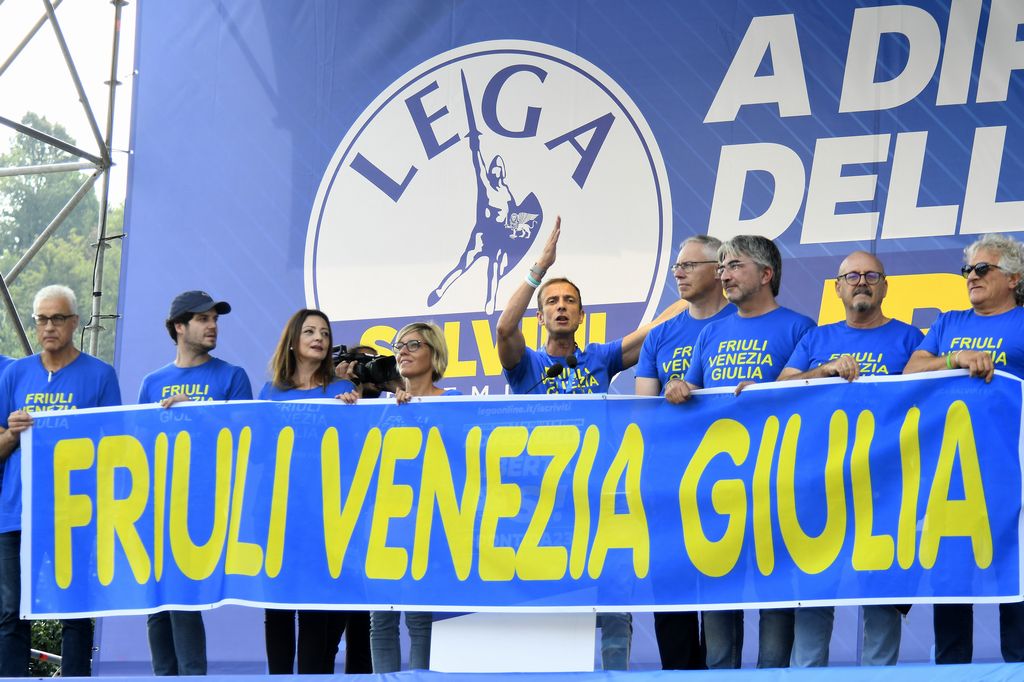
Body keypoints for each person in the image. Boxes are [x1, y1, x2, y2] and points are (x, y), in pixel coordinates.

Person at [496, 217, 687, 669]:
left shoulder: (598, 358)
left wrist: (697, 293)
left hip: (600, 499)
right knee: (552, 609)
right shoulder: (525, 364)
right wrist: (539, 269)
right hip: (543, 507)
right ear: (540, 316)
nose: (561, 307)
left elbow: (658, 329)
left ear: (581, 316)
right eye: (552, 302)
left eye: (570, 302)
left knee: (614, 605)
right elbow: (504, 329)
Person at [673, 235, 815, 669]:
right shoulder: (711, 332)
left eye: (734, 265)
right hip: (719, 486)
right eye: (721, 267)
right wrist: (679, 387)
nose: (724, 275)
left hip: (777, 484)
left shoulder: (799, 327)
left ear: (766, 274)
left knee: (776, 598)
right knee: (718, 600)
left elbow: (812, 397)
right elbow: (693, 386)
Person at [777, 251, 923, 667]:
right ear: (838, 288)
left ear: (885, 287)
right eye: (852, 276)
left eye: (871, 276)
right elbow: (781, 389)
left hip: (885, 488)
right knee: (813, 598)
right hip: (820, 485)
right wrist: (824, 370)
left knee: (882, 601)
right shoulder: (816, 339)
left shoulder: (910, 338)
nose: (862, 282)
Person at [904, 233, 1024, 664]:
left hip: (1012, 473)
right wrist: (955, 359)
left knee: (1017, 582)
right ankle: (952, 671)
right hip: (951, 476)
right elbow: (911, 370)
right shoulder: (948, 323)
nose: (971, 276)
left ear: (1013, 278)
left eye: (982, 269)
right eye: (967, 270)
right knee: (951, 583)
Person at [0, 285, 121, 677]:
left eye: (57, 318)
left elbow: (116, 447)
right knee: (10, 613)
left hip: (75, 513)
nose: (49, 327)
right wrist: (12, 433)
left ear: (74, 322)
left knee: (76, 612)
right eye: (42, 319)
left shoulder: (100, 375)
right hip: (17, 514)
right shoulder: (15, 373)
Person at [139, 290, 253, 676]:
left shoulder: (232, 376)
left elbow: (247, 438)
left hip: (206, 504)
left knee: (181, 599)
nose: (213, 326)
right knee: (157, 605)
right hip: (158, 505)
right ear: (179, 327)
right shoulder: (152, 382)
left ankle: (192, 677)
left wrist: (198, 412)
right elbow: (140, 446)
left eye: (215, 319)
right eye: (203, 319)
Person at [635, 235, 734, 670]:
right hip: (669, 482)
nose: (678, 272)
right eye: (677, 265)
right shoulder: (661, 335)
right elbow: (643, 411)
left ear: (718, 270)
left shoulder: (741, 322)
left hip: (726, 478)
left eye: (689, 265)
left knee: (721, 597)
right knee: (670, 592)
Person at [341, 322, 460, 671]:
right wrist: (349, 407)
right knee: (381, 621)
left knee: (420, 622)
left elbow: (459, 456)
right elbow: (356, 459)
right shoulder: (379, 407)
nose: (403, 351)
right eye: (399, 345)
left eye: (413, 344)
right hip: (381, 524)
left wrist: (416, 416)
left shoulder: (453, 400)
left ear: (434, 354)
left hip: (429, 525)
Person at [259, 310, 370, 674]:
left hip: (324, 519)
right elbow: (257, 450)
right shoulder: (270, 393)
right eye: (309, 332)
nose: (319, 338)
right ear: (292, 341)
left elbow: (356, 453)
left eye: (324, 333)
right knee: (277, 611)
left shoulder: (341, 391)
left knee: (315, 613)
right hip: (279, 517)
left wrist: (353, 413)